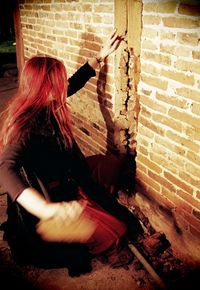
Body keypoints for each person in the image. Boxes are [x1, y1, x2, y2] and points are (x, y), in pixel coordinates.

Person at [0, 29, 143, 276]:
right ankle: (96, 235)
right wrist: (45, 210)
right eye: (58, 83)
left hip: (70, 173)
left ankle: (95, 203)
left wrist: (100, 56)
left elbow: (73, 83)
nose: (63, 87)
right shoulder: (27, 124)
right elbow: (5, 167)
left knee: (110, 164)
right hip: (54, 193)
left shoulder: (48, 100)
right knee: (118, 232)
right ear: (44, 87)